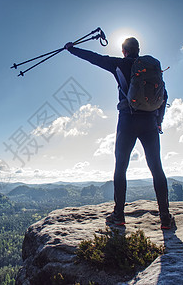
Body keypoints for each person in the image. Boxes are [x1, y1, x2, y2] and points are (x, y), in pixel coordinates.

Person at [65, 37, 173, 229]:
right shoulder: (152, 68)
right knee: (156, 167)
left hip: (127, 120)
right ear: (138, 50)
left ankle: (119, 215)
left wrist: (72, 49)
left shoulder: (119, 64)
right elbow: (163, 95)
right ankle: (165, 218)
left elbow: (94, 58)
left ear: (124, 51)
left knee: (121, 166)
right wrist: (158, 122)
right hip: (149, 121)